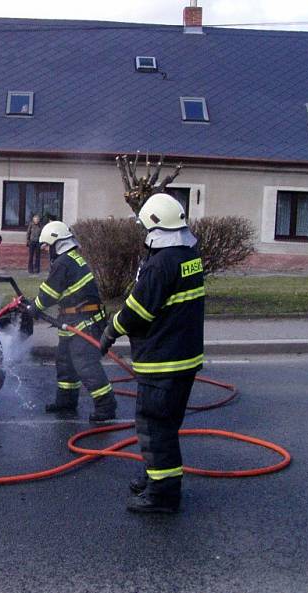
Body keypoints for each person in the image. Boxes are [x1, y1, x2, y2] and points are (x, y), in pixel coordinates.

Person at [99, 193, 205, 514]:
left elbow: (136, 311)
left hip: (163, 360)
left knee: (153, 425)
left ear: (155, 227)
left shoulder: (160, 264)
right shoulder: (189, 256)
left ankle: (162, 495)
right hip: (184, 358)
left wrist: (110, 330)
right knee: (166, 425)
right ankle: (155, 476)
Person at [24, 221, 116, 422]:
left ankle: (106, 406)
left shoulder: (64, 262)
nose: (47, 251)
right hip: (73, 319)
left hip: (84, 321)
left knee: (86, 365)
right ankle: (66, 401)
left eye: (48, 246)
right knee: (65, 363)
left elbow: (49, 293)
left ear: (58, 242)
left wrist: (34, 307)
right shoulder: (71, 259)